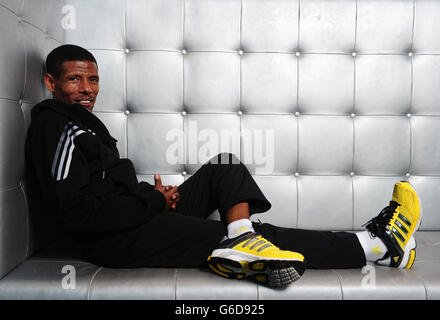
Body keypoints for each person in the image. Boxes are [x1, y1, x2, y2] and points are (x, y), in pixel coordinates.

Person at [24, 44, 422, 288]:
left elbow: (104, 190)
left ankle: (240, 236)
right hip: (114, 240)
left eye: (92, 79)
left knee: (224, 166)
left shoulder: (82, 125)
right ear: (50, 82)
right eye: (75, 79)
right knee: (267, 236)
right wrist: (153, 205)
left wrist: (150, 194)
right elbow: (77, 212)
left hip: (134, 218)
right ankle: (376, 246)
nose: (88, 89)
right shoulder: (54, 126)